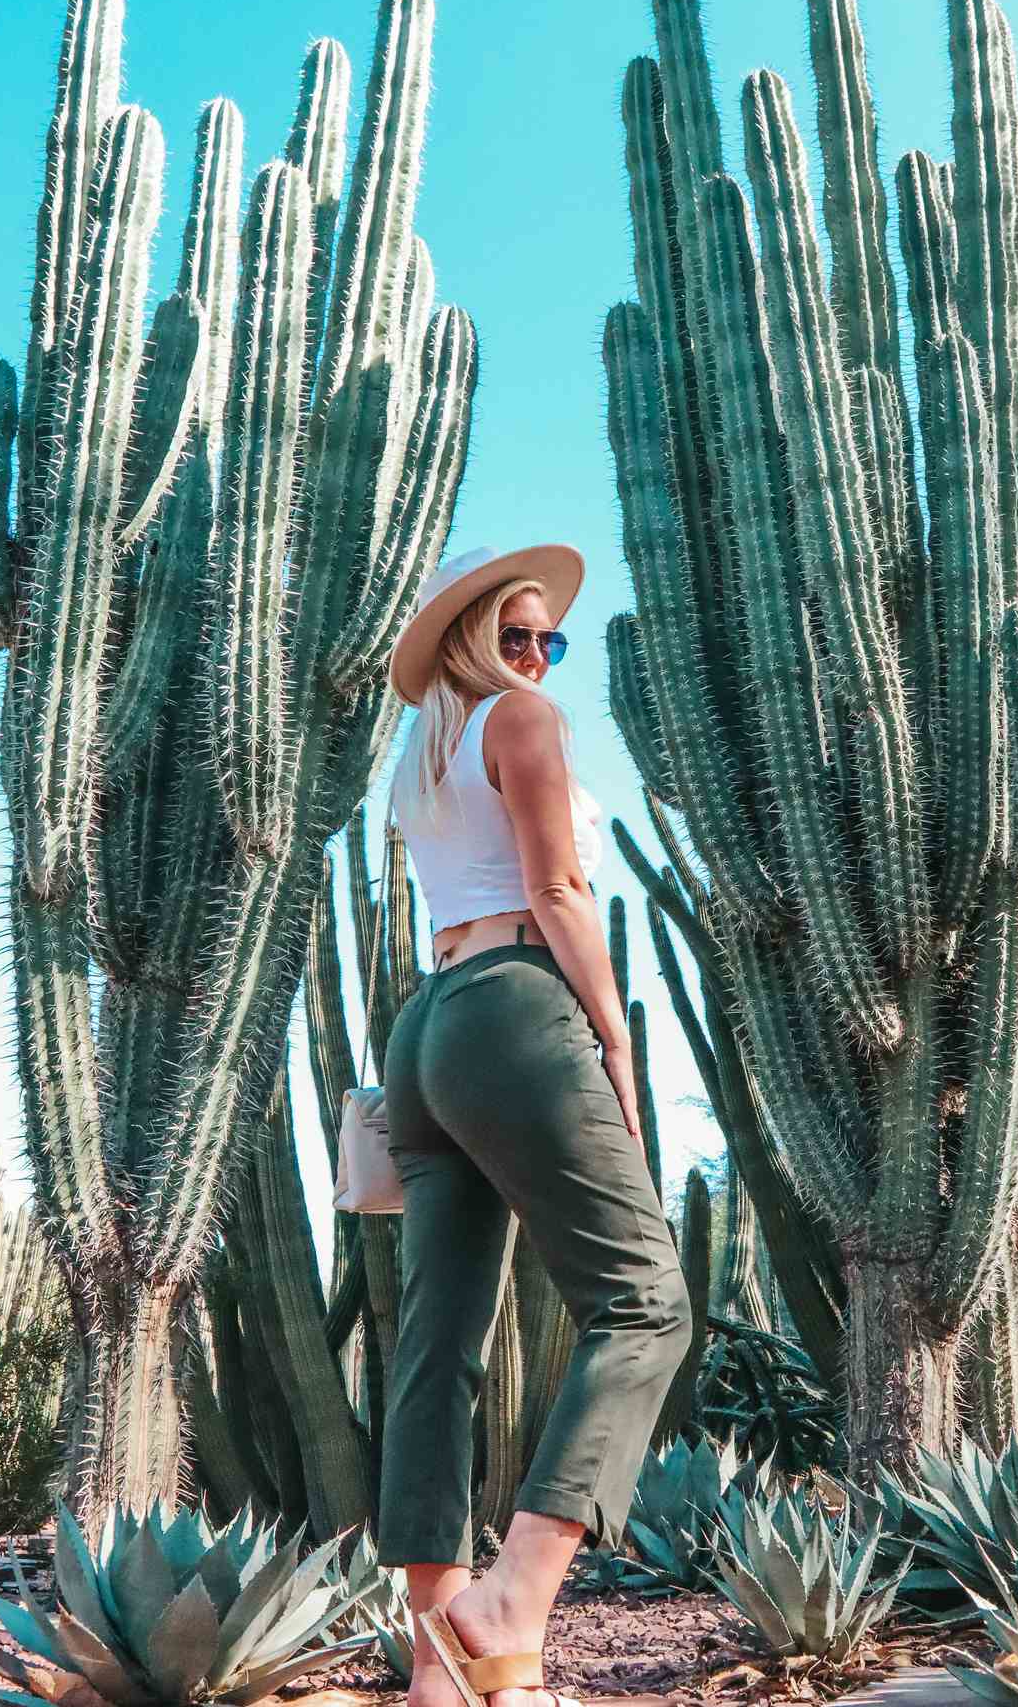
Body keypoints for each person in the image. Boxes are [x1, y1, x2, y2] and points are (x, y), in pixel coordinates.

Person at [378, 543, 694, 1707]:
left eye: (547, 643)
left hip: (428, 1030)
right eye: (515, 638)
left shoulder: (419, 760)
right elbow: (559, 890)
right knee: (646, 1302)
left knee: (436, 1348)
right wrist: (613, 1036)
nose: (536, 659)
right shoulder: (519, 721)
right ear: (471, 642)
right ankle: (510, 1602)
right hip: (514, 1007)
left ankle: (447, 1665)